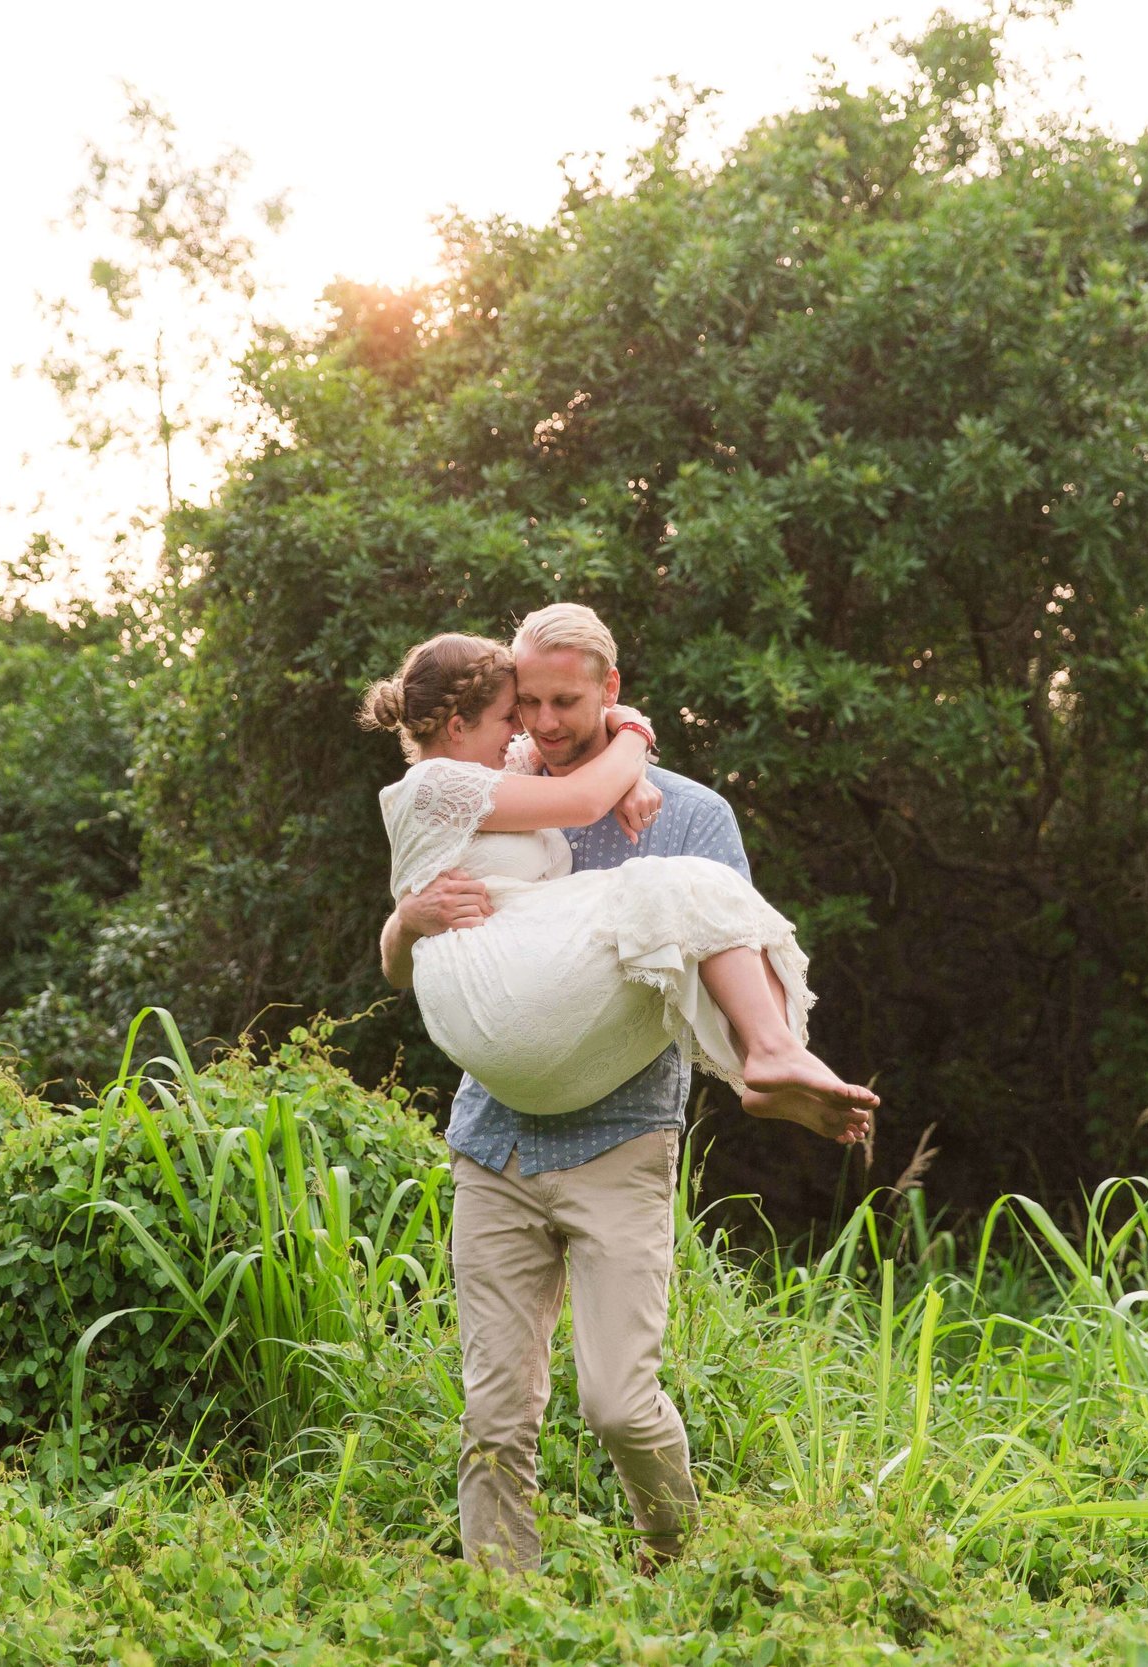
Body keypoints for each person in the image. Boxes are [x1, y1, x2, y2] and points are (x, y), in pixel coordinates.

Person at [369, 603, 876, 1573]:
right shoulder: (488, 782)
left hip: (618, 1140)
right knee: (493, 1409)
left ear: (610, 687)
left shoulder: (687, 812)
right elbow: (403, 953)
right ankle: (501, 1609)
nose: (543, 723)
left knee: (616, 1400)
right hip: (496, 1139)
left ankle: (673, 1553)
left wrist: (632, 768)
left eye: (565, 701)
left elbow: (732, 937)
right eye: (527, 702)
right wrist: (407, 922)